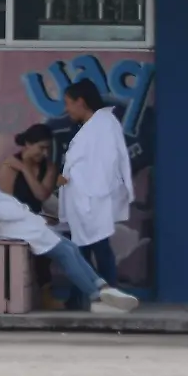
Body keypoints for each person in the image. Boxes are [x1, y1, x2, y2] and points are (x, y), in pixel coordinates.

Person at [0, 162, 138, 314]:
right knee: (65, 253)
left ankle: (102, 286)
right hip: (10, 227)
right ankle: (95, 297)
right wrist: (17, 212)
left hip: (21, 222)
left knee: (71, 247)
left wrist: (22, 212)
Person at [59, 79, 134, 294]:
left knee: (95, 249)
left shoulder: (105, 124)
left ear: (80, 102)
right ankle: (89, 296)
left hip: (94, 198)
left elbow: (107, 163)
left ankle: (104, 295)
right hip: (85, 199)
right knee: (85, 250)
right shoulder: (92, 127)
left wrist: (88, 188)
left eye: (68, 103)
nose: (67, 109)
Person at [0, 124, 60, 214]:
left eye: (48, 148)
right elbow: (7, 202)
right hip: (14, 217)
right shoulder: (10, 165)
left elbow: (42, 195)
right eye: (41, 148)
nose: (45, 153)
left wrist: (25, 169)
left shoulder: (49, 167)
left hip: (37, 219)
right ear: (28, 144)